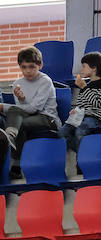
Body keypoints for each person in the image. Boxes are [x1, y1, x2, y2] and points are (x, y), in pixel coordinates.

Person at [0, 46, 60, 177]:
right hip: (29, 117)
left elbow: (34, 109)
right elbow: (22, 110)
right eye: (24, 67)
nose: (27, 71)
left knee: (17, 120)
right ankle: (12, 140)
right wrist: (21, 99)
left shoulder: (45, 81)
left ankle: (12, 147)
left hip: (47, 118)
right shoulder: (17, 84)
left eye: (32, 67)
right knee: (17, 118)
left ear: (40, 65)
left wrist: (3, 107)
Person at [58, 51, 101, 154]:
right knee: (62, 133)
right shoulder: (87, 84)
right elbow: (82, 104)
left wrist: (84, 88)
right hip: (82, 117)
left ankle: (82, 160)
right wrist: (75, 110)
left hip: (96, 118)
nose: (81, 69)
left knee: (80, 131)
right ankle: (84, 153)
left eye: (84, 66)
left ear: (94, 68)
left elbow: (97, 103)